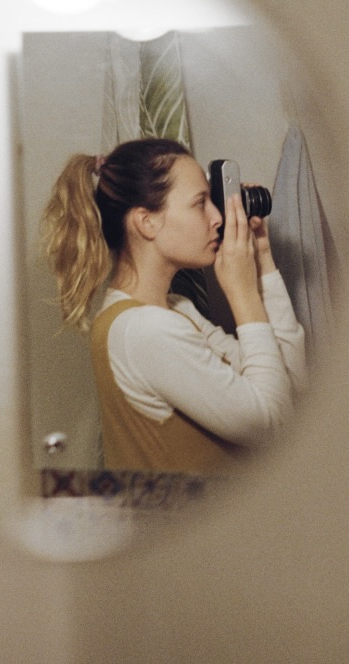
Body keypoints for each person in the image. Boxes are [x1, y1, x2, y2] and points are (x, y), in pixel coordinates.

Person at [41, 137, 307, 474]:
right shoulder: (145, 330)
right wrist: (243, 294)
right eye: (200, 203)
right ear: (146, 222)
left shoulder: (176, 309)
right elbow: (274, 427)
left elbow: (290, 385)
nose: (217, 217)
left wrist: (262, 256)